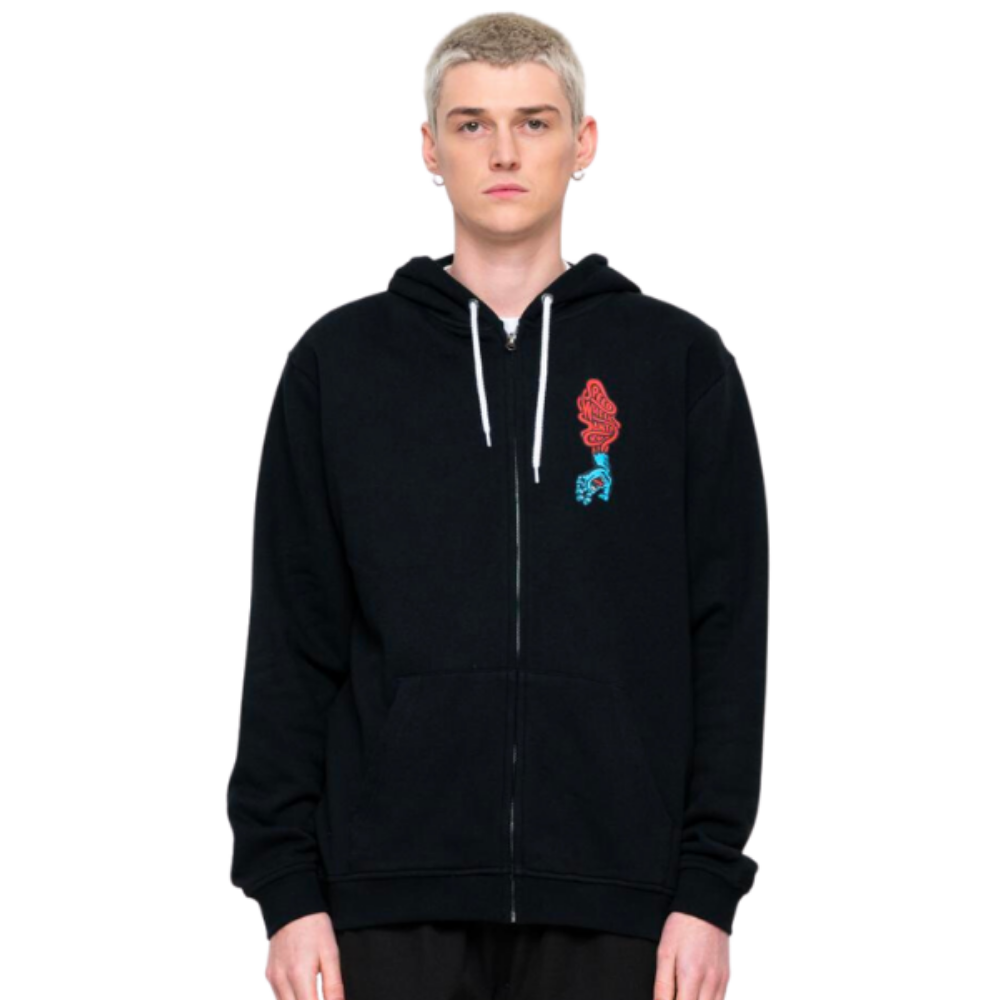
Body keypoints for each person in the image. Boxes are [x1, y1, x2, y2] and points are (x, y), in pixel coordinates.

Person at [226, 12, 769, 1000]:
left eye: (535, 121)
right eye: (472, 124)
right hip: (385, 901)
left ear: (583, 142)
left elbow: (726, 638)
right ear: (430, 148)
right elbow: (291, 638)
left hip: (620, 901)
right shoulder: (341, 366)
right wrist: (287, 892)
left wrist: (706, 889)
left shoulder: (677, 365)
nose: (505, 152)